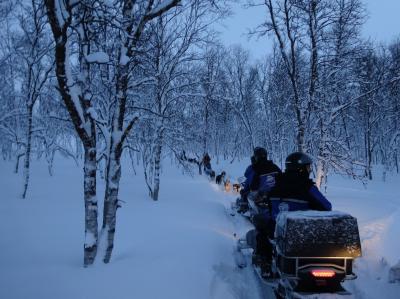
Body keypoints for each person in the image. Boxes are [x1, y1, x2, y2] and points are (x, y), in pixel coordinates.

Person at [252, 152, 332, 277]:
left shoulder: (276, 184)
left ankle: (265, 262)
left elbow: (269, 204)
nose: (309, 170)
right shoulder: (308, 187)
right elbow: (327, 207)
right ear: (301, 169)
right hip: (303, 231)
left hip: (277, 230)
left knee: (262, 226)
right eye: (308, 167)